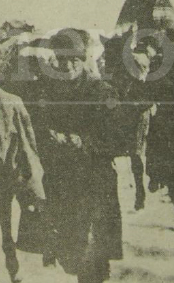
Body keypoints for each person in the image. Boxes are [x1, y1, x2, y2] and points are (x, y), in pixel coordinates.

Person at [35, 28, 128, 283]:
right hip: (62, 183)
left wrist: (83, 141)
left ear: (83, 59)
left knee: (91, 255)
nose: (66, 66)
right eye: (60, 59)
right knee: (70, 255)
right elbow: (38, 130)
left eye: (72, 59)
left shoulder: (103, 92)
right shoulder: (51, 93)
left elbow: (119, 140)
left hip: (94, 183)